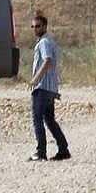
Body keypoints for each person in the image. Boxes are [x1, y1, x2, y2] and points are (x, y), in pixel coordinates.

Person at [27, 12, 71, 162]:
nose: (35, 29)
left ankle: (41, 152)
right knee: (49, 120)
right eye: (33, 26)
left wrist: (35, 79)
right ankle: (63, 149)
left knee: (37, 119)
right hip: (49, 88)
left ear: (45, 26)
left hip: (42, 87)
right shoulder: (48, 41)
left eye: (38, 26)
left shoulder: (44, 42)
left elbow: (47, 61)